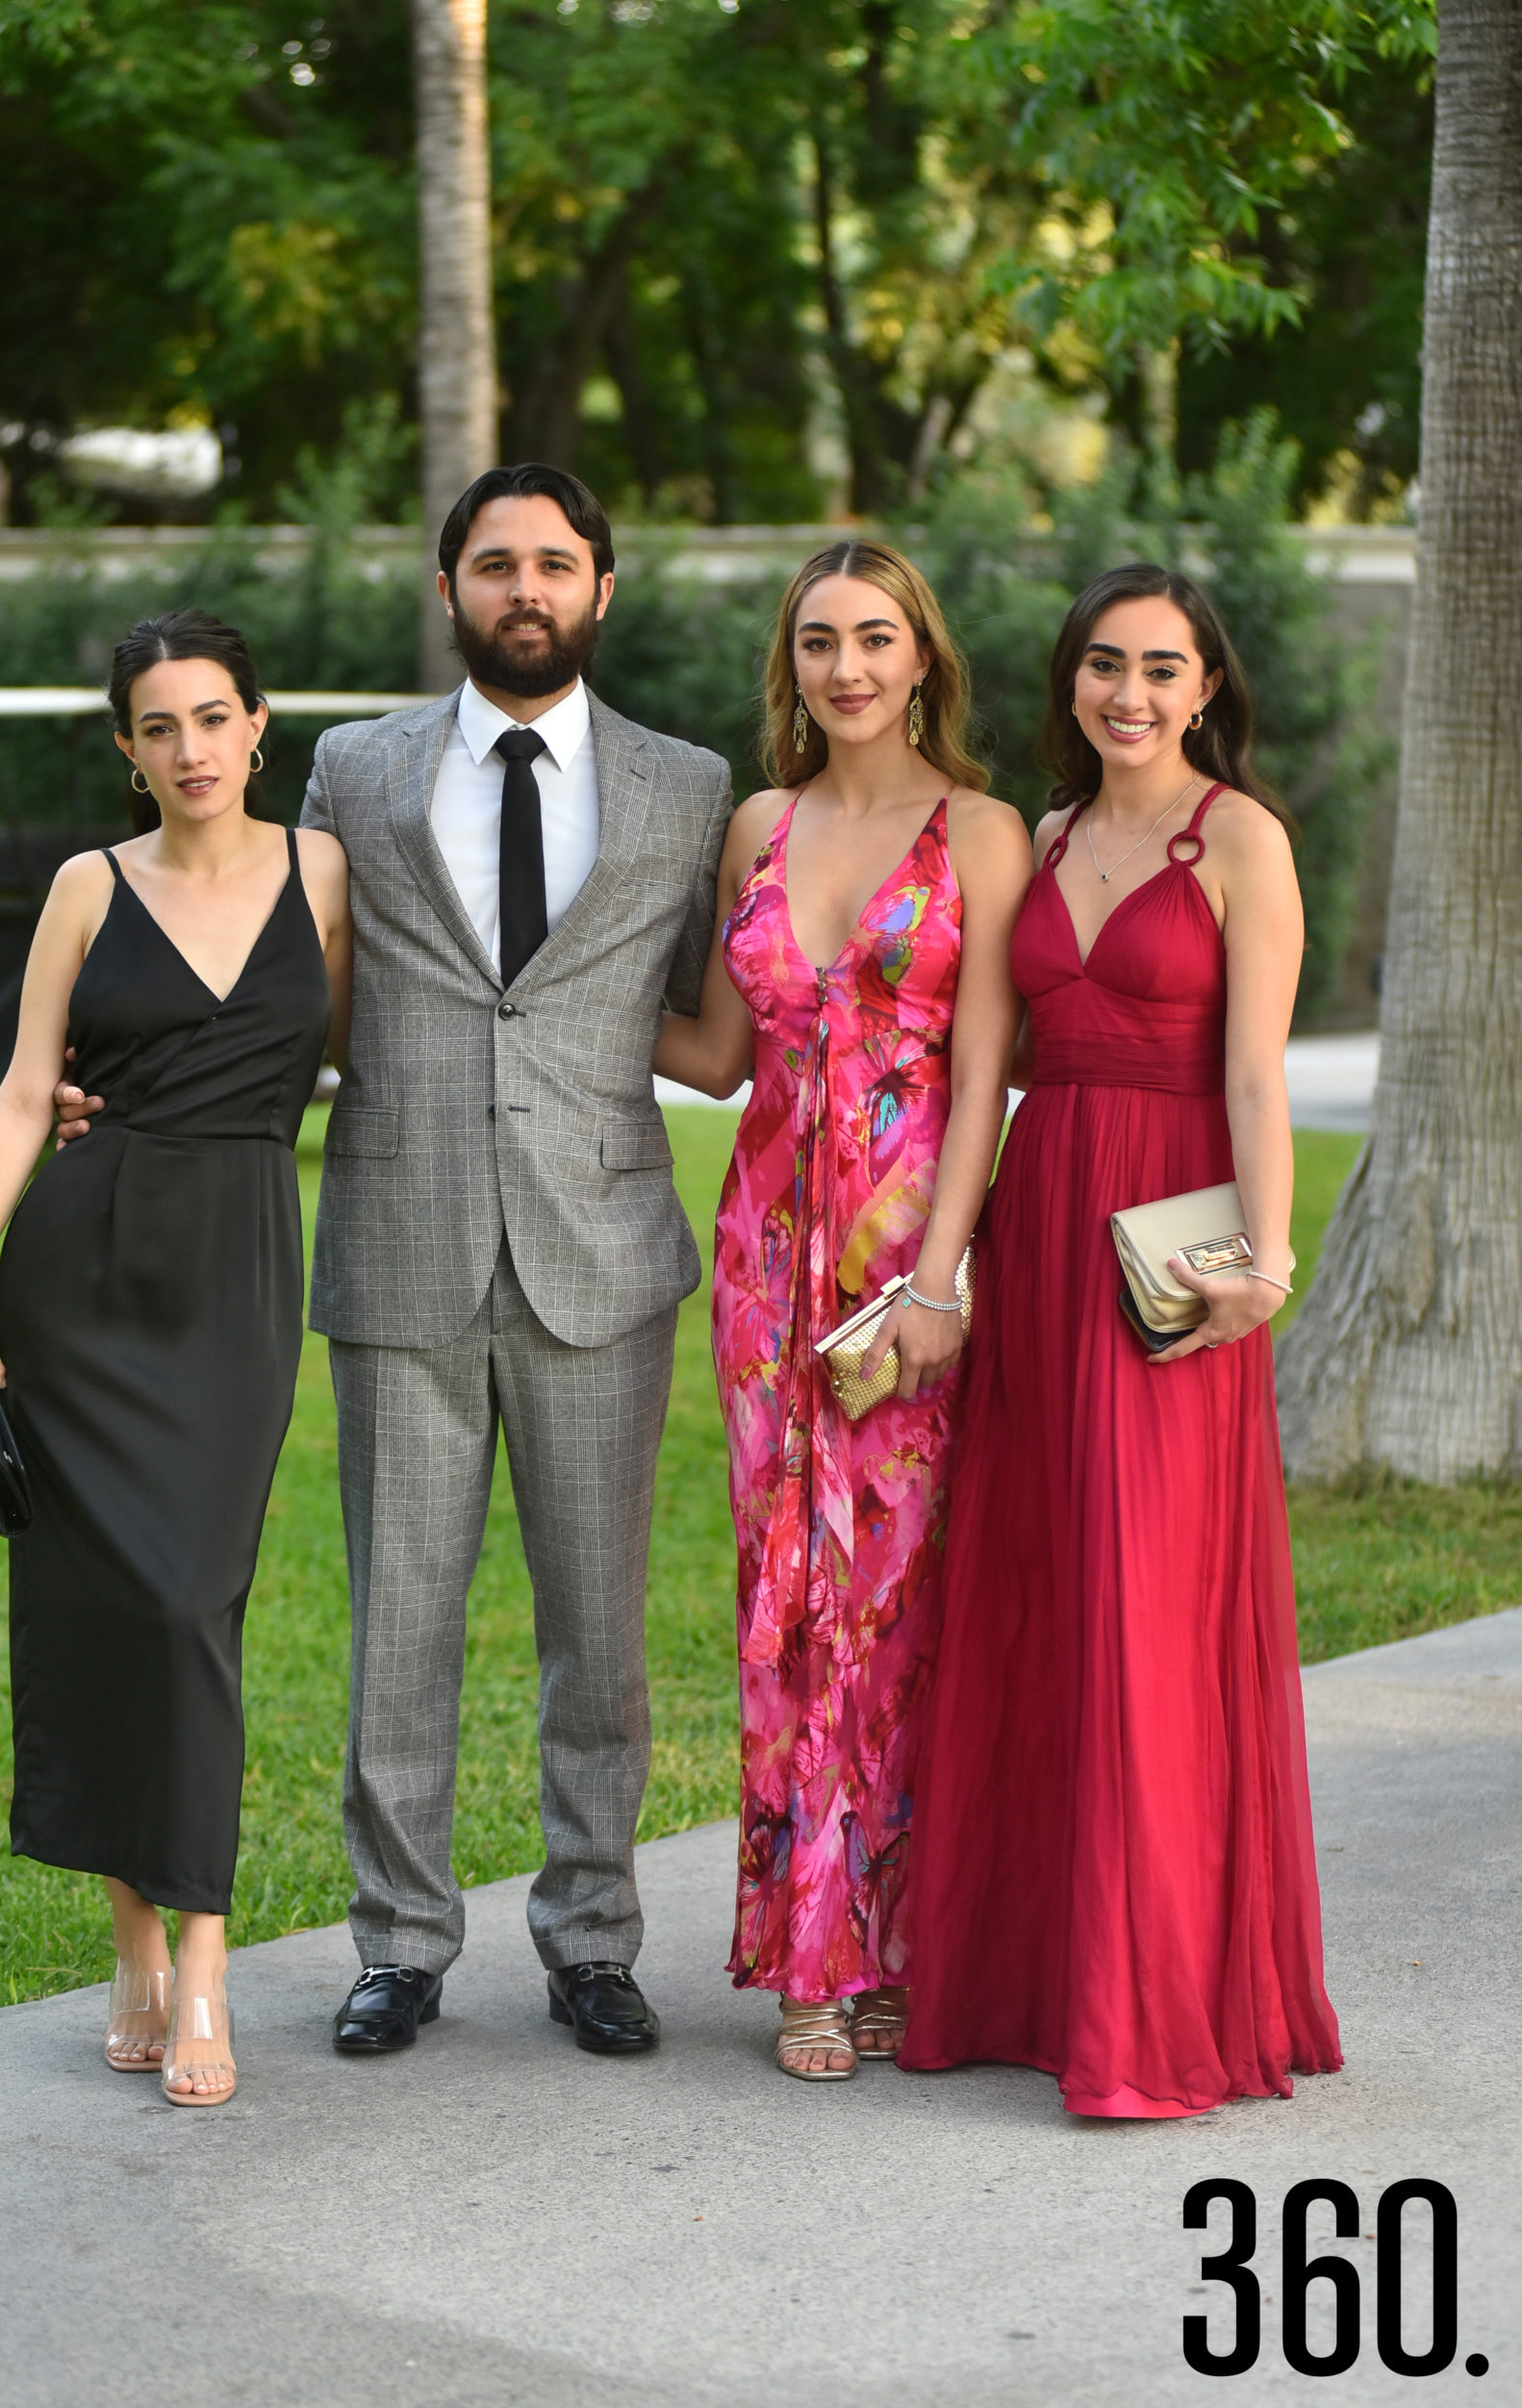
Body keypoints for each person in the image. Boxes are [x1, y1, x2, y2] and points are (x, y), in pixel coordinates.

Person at [60, 465, 734, 2058]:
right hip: (399, 1234)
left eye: (554, 564)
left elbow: (720, 1016)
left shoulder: (686, 787)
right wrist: (118, 1084)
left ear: (599, 591)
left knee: (601, 1631)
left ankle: (590, 1938)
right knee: (399, 1620)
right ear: (450, 590)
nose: (524, 588)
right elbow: (271, 973)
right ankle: (402, 1943)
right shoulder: (353, 773)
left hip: (600, 1252)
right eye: (493, 563)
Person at [900, 563, 1344, 2116]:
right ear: (1069, 684)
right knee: (1043, 1594)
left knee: (1148, 1610)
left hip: (1170, 1250)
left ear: (1206, 687)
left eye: (1160, 668)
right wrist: (937, 1265)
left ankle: (1152, 2006)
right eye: (1103, 665)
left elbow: (1254, 1081)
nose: (1128, 694)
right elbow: (980, 1069)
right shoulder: (1036, 838)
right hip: (1038, 1231)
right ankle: (1032, 1981)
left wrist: (1261, 1264)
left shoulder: (1239, 841)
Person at [0, 609, 351, 2108]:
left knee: (190, 1604)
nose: (190, 750)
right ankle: (142, 1952)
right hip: (80, 1277)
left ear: (257, 726)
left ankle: (210, 1958)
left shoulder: (323, 871)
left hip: (233, 1269)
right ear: (127, 750)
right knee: (105, 1607)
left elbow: (353, 1052)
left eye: (213, 718)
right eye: (158, 728)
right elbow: (31, 1093)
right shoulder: (86, 889)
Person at [655, 542, 1031, 2080]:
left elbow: (988, 1068)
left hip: (901, 1263)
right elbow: (716, 1051)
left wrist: (941, 1279)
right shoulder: (758, 821)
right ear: (790, 665)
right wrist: (526, 995)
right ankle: (810, 1951)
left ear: (922, 656)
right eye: (817, 643)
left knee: (895, 1606)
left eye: (874, 639)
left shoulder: (983, 831)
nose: (846, 669)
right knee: (784, 1604)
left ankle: (890, 1943)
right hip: (764, 1260)